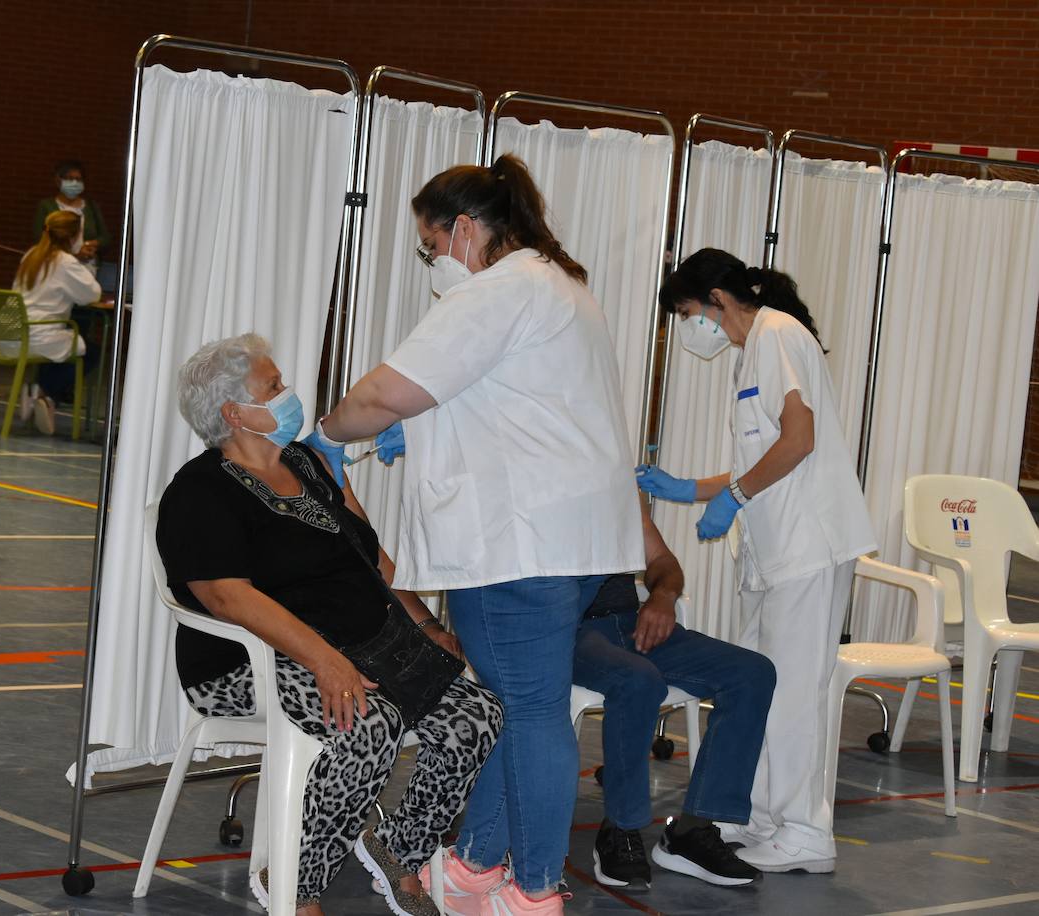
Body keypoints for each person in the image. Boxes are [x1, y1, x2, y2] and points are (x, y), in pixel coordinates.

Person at [311, 155, 646, 915]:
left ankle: (533, 890)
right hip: (570, 538)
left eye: (430, 246)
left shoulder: (498, 290)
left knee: (527, 713)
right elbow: (500, 400)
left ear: (464, 231)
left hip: (518, 544)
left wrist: (325, 437)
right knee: (515, 704)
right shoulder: (560, 285)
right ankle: (474, 865)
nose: (432, 262)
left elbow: (381, 394)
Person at [157, 333, 504, 916]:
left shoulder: (308, 464)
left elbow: (368, 556)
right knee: (368, 725)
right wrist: (323, 659)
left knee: (476, 717)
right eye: (273, 387)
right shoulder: (199, 492)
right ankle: (296, 882)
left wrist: (421, 623)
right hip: (250, 663)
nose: (289, 395)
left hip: (363, 646)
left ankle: (398, 848)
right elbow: (226, 597)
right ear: (233, 413)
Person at [637, 247, 877, 874]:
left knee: (795, 692)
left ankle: (805, 832)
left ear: (716, 301)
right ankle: (766, 816)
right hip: (773, 553)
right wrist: (693, 489)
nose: (692, 330)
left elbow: (800, 441)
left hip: (808, 546)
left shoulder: (776, 333)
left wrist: (734, 497)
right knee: (762, 685)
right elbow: (762, 455)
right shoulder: (752, 349)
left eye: (688, 314)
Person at [577, 503, 775, 890]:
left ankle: (692, 829)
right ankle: (621, 827)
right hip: (570, 629)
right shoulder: (536, 474)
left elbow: (661, 559)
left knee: (751, 673)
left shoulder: (617, 484)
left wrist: (663, 595)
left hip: (628, 622)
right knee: (638, 680)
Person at [1, 210, 102, 436]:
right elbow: (92, 294)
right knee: (89, 351)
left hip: (9, 333)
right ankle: (46, 395)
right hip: (35, 336)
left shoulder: (31, 255)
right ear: (73, 237)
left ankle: (39, 392)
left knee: (63, 344)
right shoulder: (66, 262)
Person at [30, 160, 112, 277]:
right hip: (55, 267)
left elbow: (106, 238)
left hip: (86, 268)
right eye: (69, 179)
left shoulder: (91, 207)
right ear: (58, 180)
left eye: (78, 179)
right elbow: (39, 238)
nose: (74, 182)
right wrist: (73, 256)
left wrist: (91, 244)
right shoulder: (46, 206)